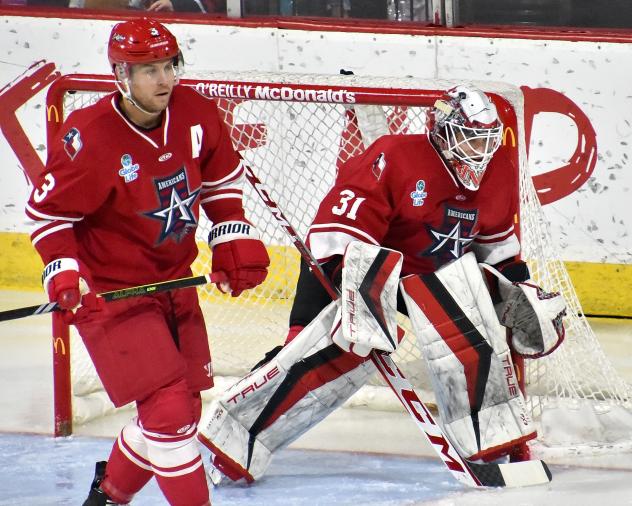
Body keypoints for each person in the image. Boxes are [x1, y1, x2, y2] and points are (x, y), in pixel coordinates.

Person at [196, 84, 566, 483]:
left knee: (471, 322)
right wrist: (360, 302)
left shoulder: (497, 172)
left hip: (424, 280)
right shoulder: (396, 157)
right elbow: (337, 235)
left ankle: (497, 441)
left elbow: (497, 250)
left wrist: (518, 289)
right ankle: (234, 439)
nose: (479, 151)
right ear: (443, 131)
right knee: (314, 355)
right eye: (469, 139)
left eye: (485, 141)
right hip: (345, 267)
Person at [25, 17, 270, 506]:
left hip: (175, 281)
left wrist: (230, 238)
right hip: (113, 292)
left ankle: (109, 494)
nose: (164, 80)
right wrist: (64, 270)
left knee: (179, 411)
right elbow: (47, 215)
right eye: (148, 69)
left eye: (168, 65)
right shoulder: (90, 137)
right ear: (121, 74)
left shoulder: (195, 112)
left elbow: (221, 183)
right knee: (170, 413)